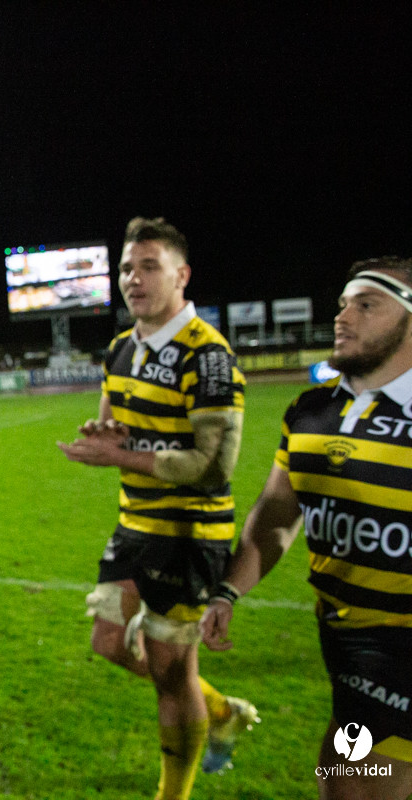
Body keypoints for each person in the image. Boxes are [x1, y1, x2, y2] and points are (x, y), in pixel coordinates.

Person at [57, 217, 254, 799]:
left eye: (149, 266)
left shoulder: (208, 356)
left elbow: (215, 465)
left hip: (189, 535)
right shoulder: (121, 349)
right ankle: (219, 710)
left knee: (172, 672)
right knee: (110, 643)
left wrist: (122, 454)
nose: (132, 279)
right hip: (134, 526)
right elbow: (114, 428)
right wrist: (101, 436)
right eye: (125, 268)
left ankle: (175, 792)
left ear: (181, 275)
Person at [201, 256, 412, 800]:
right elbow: (275, 517)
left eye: (367, 305)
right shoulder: (310, 411)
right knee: (340, 771)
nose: (344, 316)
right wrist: (229, 588)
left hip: (399, 647)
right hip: (341, 636)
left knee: (354, 783)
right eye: (344, 303)